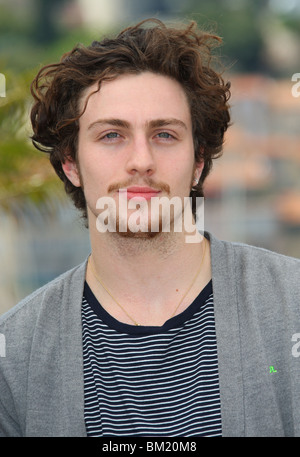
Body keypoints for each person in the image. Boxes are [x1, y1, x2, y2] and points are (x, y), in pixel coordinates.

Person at [0, 18, 299, 438]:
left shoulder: (291, 305)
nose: (141, 160)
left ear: (198, 162)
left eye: (163, 134)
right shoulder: (14, 355)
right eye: (111, 135)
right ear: (71, 163)